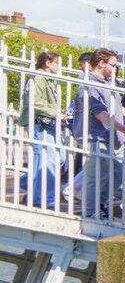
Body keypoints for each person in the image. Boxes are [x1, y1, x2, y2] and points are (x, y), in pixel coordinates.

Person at [78, 48, 125, 219]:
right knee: (96, 177)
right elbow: (100, 114)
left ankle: (101, 204)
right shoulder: (90, 83)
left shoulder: (106, 83)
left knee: (118, 173)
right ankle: (91, 212)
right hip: (98, 137)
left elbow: (116, 108)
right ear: (101, 63)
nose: (115, 69)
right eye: (113, 65)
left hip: (112, 138)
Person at [23, 52, 63, 209]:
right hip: (40, 123)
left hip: (44, 123)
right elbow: (35, 102)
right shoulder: (39, 77)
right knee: (47, 160)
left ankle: (33, 189)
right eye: (56, 63)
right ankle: (45, 198)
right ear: (48, 63)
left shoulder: (47, 79)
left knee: (50, 159)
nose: (58, 67)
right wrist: (56, 113)